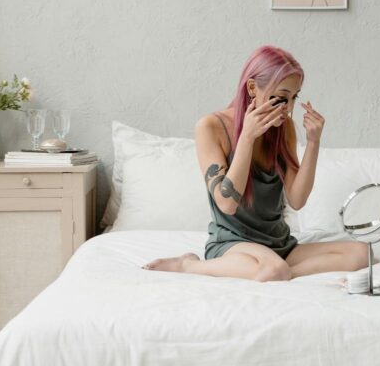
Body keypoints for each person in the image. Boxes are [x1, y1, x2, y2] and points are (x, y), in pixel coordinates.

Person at [143, 45, 367, 280]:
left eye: (294, 97)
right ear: (252, 88)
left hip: (279, 245)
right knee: (274, 269)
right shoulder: (211, 127)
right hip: (234, 244)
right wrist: (247, 137)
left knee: (361, 253)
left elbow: (297, 200)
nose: (288, 109)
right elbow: (227, 204)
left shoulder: (284, 129)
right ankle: (188, 265)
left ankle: (280, 272)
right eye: (281, 98)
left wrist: (313, 142)